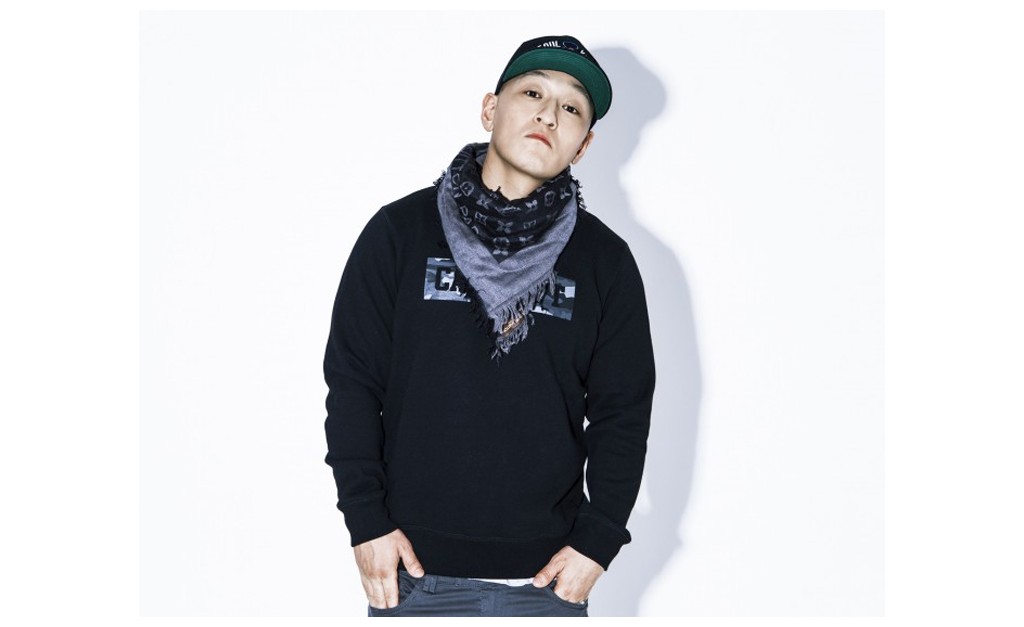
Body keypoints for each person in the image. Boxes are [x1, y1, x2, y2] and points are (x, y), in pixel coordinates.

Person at [323, 34, 656, 617]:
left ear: (584, 144)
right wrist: (366, 522)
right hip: (412, 576)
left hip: (545, 583)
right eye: (532, 93)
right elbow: (353, 383)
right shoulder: (399, 233)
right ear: (489, 108)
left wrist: (597, 542)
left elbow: (623, 413)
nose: (548, 115)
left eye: (571, 108)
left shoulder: (606, 261)